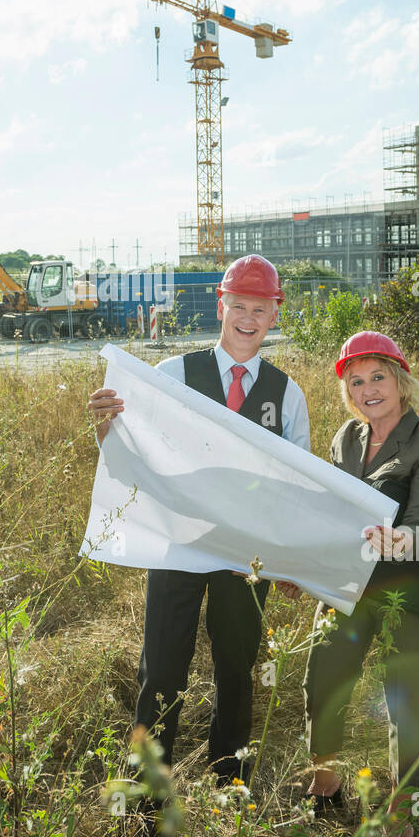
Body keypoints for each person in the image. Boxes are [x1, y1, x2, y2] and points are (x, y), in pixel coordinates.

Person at [87, 255, 310, 794]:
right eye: (239, 306)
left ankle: (229, 785)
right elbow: (133, 451)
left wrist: (291, 561)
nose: (249, 318)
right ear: (221, 306)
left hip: (244, 558)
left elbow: (297, 489)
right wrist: (104, 427)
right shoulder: (172, 376)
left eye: (261, 308)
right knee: (162, 669)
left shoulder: (287, 395)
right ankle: (146, 796)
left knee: (237, 670)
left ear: (274, 313)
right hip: (178, 545)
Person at [279, 331, 419, 837]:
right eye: (356, 381)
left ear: (400, 380)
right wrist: (301, 567)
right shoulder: (345, 440)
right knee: (323, 674)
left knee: (406, 695)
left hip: (408, 588)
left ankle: (403, 810)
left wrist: (401, 538)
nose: (368, 388)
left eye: (378, 376)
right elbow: (332, 519)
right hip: (348, 583)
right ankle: (326, 782)